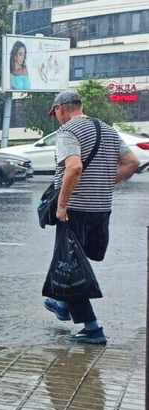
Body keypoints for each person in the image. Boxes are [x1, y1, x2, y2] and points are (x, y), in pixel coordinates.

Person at [42, 90, 140, 345]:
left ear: (62, 108)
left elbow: (74, 167)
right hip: (101, 209)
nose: (56, 118)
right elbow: (132, 162)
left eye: (55, 113)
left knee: (71, 267)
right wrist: (105, 182)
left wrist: (61, 206)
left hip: (75, 210)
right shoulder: (108, 130)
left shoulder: (68, 131)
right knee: (74, 262)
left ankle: (92, 328)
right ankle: (62, 303)